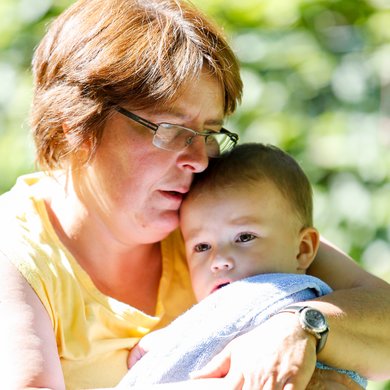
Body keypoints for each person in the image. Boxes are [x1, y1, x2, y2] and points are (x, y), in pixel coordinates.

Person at [0, 0, 389, 389]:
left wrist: (302, 327)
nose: (200, 160)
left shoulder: (215, 216)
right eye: (171, 129)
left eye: (209, 132)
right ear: (75, 125)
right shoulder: (16, 251)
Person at [120, 143, 366, 389]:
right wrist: (173, 342)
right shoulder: (210, 313)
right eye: (202, 247)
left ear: (302, 249)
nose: (219, 260)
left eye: (244, 237)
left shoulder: (285, 297)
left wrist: (166, 350)